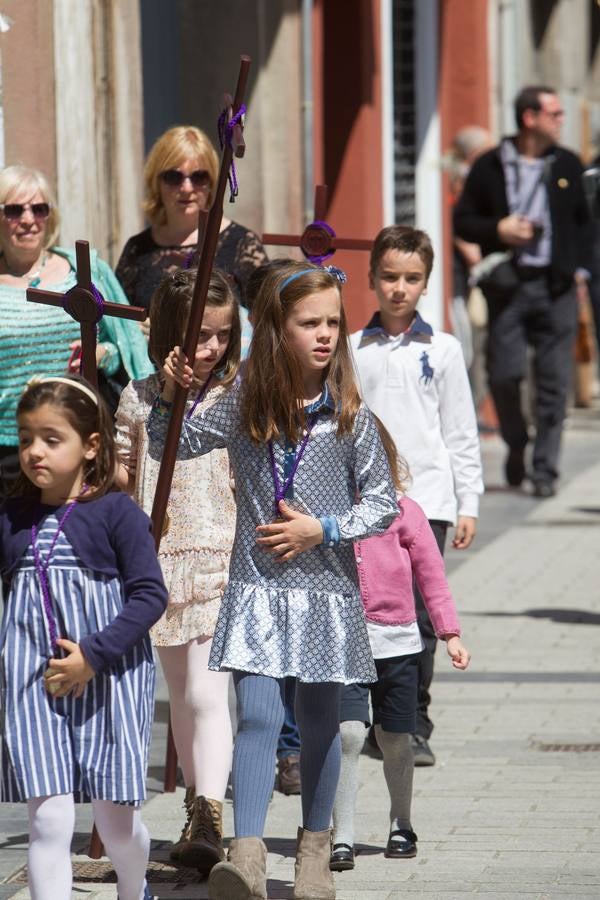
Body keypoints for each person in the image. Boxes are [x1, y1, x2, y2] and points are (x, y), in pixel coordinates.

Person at [147, 261, 399, 900]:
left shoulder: (349, 419)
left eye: (332, 324)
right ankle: (249, 857)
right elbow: (165, 440)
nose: (324, 335)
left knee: (318, 724)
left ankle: (314, 853)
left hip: (323, 592)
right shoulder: (243, 405)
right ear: (276, 331)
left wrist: (326, 529)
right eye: (308, 322)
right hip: (257, 586)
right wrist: (175, 390)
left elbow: (384, 502)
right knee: (257, 719)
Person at [0, 375, 167, 900]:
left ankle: (134, 887)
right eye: (27, 438)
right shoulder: (12, 517)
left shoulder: (117, 513)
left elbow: (149, 596)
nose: (35, 452)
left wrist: (92, 655)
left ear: (90, 446)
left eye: (52, 439)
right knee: (48, 821)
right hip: (34, 684)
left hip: (109, 680)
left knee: (116, 827)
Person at [115, 267, 240, 874]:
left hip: (220, 554)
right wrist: (163, 398)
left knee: (204, 689)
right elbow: (122, 473)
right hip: (158, 563)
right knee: (181, 700)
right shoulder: (138, 398)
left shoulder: (236, 396)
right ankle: (198, 805)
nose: (212, 349)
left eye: (222, 334)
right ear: (168, 336)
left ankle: (211, 810)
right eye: (200, 338)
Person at [350, 225, 483, 767]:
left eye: (411, 278)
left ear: (426, 282)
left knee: (424, 615)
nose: (399, 288)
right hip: (367, 500)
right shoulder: (354, 348)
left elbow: (460, 430)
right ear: (372, 279)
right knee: (372, 610)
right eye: (389, 277)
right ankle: (377, 715)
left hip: (427, 500)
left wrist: (467, 499)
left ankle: (414, 721)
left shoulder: (444, 349)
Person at [331, 430, 470, 870]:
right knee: (349, 734)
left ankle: (401, 823)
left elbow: (432, 575)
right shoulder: (329, 515)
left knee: (395, 738)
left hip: (400, 643)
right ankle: (342, 836)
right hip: (344, 644)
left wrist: (449, 633)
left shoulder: (405, 512)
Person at [454, 85, 593, 497]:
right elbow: (463, 220)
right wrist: (498, 229)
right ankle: (517, 443)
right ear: (529, 117)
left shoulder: (567, 163)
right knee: (505, 375)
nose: (560, 119)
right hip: (508, 289)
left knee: (553, 383)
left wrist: (580, 270)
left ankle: (545, 470)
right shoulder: (490, 165)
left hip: (557, 288)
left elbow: (587, 223)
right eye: (554, 113)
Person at [0, 165, 154, 497]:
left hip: (81, 438)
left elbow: (124, 346)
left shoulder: (83, 270)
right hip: (11, 445)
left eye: (38, 209)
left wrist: (101, 353)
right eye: (14, 210)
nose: (28, 219)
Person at [115, 124, 266, 351]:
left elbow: (268, 320)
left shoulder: (242, 243)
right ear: (156, 183)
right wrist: (135, 328)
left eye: (199, 177)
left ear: (212, 183)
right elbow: (116, 322)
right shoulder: (138, 248)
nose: (186, 188)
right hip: (154, 377)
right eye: (173, 177)